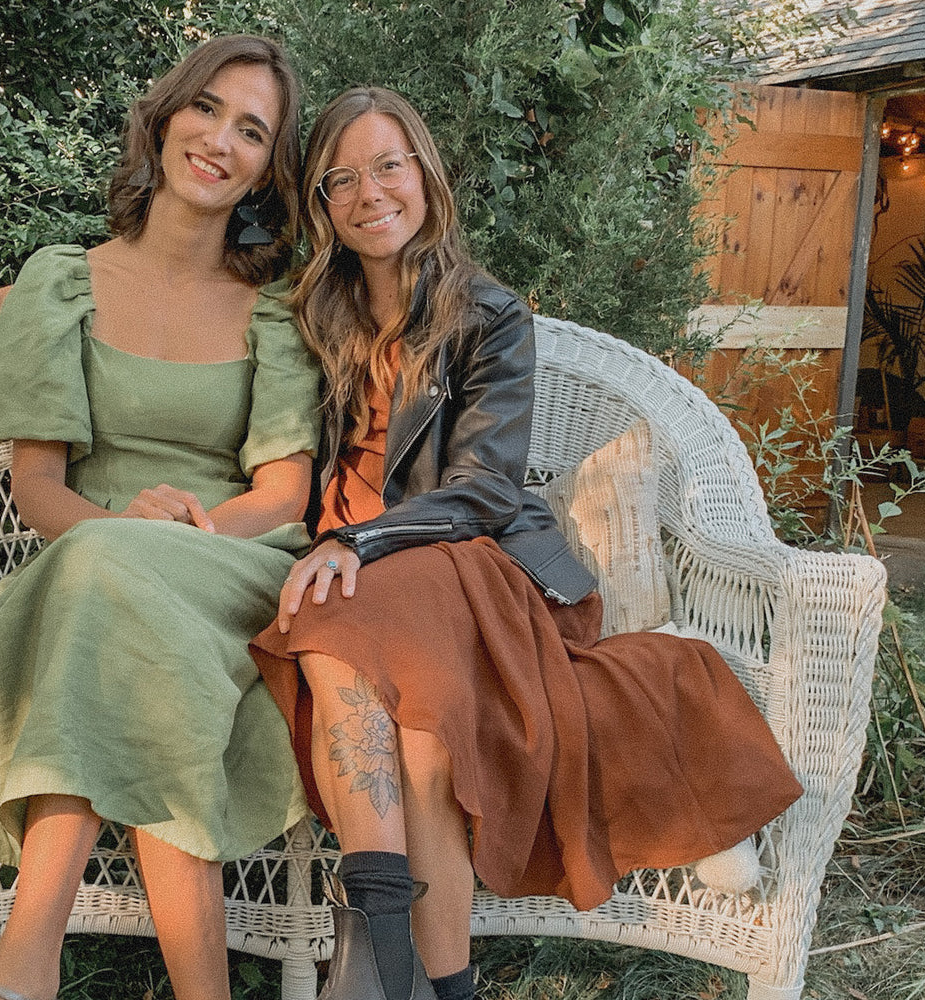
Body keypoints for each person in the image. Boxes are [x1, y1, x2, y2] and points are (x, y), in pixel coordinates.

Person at [248, 87, 805, 1000]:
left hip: (466, 558)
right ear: (320, 205)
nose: (368, 194)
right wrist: (52, 288)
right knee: (425, 735)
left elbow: (483, 490)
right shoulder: (310, 312)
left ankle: (378, 968)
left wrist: (363, 537)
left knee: (346, 613)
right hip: (353, 573)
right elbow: (192, 286)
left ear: (425, 176)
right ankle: (419, 976)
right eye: (339, 179)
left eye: (389, 166)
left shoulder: (487, 314)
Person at [0, 36, 321, 1000]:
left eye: (253, 130)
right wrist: (122, 529)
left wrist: (185, 533)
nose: (221, 140)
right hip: (90, 561)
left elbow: (283, 495)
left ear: (270, 167)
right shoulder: (61, 284)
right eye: (208, 109)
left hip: (234, 562)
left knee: (114, 580)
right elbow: (39, 494)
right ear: (166, 116)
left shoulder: (274, 312)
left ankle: (24, 964)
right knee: (115, 592)